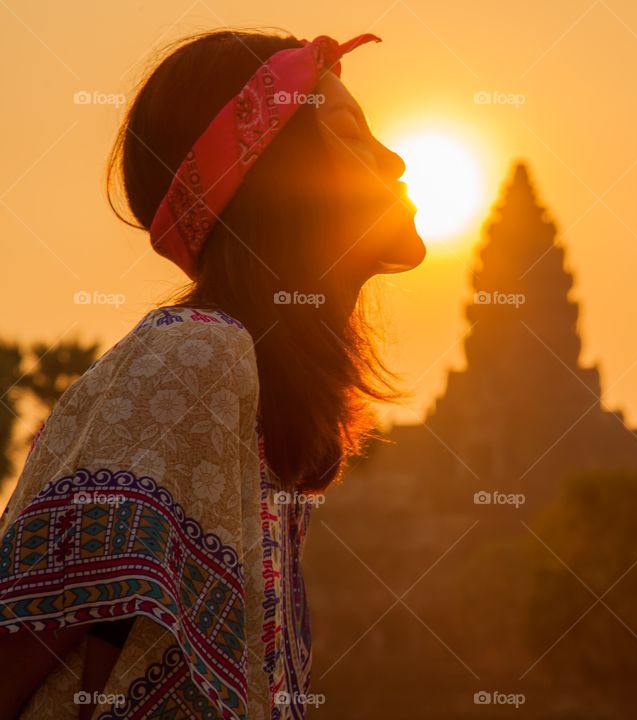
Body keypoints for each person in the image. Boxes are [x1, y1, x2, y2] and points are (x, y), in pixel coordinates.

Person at [0, 28, 424, 720]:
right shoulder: (197, 355)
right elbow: (17, 645)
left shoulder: (260, 407)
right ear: (276, 181)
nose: (396, 158)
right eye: (349, 132)